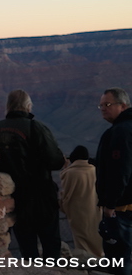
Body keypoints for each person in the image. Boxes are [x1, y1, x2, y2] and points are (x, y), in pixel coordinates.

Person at [0, 89, 65, 259]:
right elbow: (55, 161)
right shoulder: (36, 127)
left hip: (13, 198)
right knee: (50, 243)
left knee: (27, 247)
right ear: (28, 107)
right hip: (41, 195)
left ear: (8, 107)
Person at [95, 87, 132, 274]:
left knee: (119, 261)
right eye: (101, 105)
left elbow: (120, 171)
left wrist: (110, 205)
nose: (102, 108)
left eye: (107, 104)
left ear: (123, 106)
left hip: (122, 210)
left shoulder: (120, 132)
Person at [60, 145, 103, 257]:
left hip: (77, 212)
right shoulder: (94, 170)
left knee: (81, 238)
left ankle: (86, 261)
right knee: (96, 235)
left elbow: (66, 195)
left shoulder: (69, 173)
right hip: (96, 209)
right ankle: (99, 258)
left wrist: (65, 167)